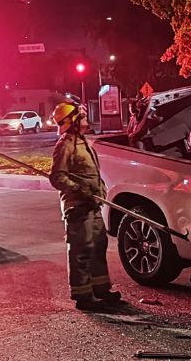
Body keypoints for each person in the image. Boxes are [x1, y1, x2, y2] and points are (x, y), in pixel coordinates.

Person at [49, 99, 123, 310]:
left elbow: (92, 173)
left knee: (98, 246)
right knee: (81, 250)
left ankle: (101, 289)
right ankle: (83, 296)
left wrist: (100, 189)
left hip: (93, 203)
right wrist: (79, 190)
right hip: (77, 207)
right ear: (72, 120)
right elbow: (57, 177)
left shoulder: (83, 143)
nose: (84, 118)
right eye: (80, 115)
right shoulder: (64, 145)